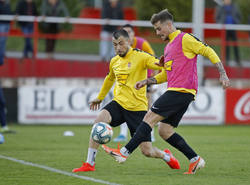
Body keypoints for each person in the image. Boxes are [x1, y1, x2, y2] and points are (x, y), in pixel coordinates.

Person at [104, 9, 230, 174]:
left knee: (149, 117)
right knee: (165, 131)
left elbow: (207, 50)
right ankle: (195, 159)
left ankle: (125, 152)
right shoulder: (169, 46)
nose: (157, 32)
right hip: (179, 92)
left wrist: (222, 73)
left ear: (169, 25)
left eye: (158, 28)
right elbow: (166, 74)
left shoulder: (185, 38)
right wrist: (146, 81)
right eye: (155, 29)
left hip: (181, 91)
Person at [72, 29, 180, 172]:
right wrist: (100, 97)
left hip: (137, 110)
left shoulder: (140, 56)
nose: (117, 48)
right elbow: (110, 78)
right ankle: (89, 163)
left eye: (121, 44)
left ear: (129, 41)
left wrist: (162, 63)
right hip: (119, 104)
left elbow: (157, 64)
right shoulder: (114, 61)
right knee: (99, 122)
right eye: (114, 44)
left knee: (147, 151)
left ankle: (166, 156)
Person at [113, 24, 156, 142]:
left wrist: (151, 79)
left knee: (147, 106)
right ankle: (122, 133)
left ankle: (150, 133)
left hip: (143, 79)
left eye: (129, 32)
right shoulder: (120, 46)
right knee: (122, 103)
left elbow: (153, 59)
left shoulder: (142, 43)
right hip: (126, 79)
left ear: (133, 34)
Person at [215, 0, 241, 66]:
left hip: (233, 28)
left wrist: (236, 22)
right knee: (226, 45)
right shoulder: (220, 7)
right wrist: (220, 23)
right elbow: (216, 17)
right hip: (224, 29)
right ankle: (226, 61)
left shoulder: (235, 6)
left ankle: (238, 61)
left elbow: (239, 16)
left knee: (235, 45)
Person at [0, 0, 12, 65]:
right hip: (1, 24)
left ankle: (1, 59)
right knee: (1, 41)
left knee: (3, 42)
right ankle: (1, 59)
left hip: (7, 24)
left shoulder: (7, 4)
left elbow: (9, 12)